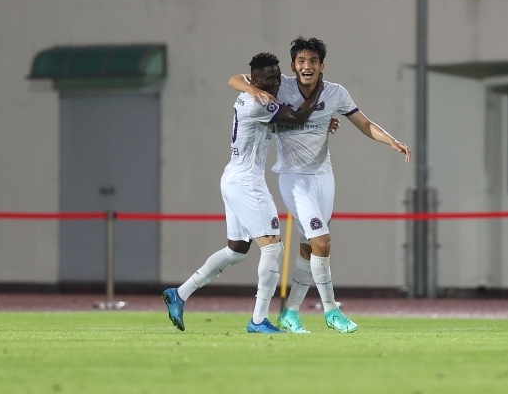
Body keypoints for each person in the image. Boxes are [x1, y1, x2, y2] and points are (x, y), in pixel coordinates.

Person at [230, 36, 411, 334]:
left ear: (321, 65)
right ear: (293, 66)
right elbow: (235, 78)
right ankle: (331, 311)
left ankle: (290, 313)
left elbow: (364, 123)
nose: (307, 66)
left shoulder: (336, 93)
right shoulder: (282, 85)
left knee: (309, 247)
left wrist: (391, 140)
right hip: (293, 177)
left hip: (324, 176)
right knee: (323, 242)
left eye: (313, 61)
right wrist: (251, 88)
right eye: (301, 61)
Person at [162, 52, 324, 333]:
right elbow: (296, 118)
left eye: (276, 77)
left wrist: (250, 86)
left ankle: (180, 293)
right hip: (248, 182)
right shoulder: (256, 103)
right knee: (273, 248)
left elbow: (235, 79)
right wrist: (320, 93)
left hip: (233, 178)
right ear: (256, 78)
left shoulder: (252, 92)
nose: (274, 83)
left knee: (237, 250)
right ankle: (259, 320)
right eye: (269, 78)